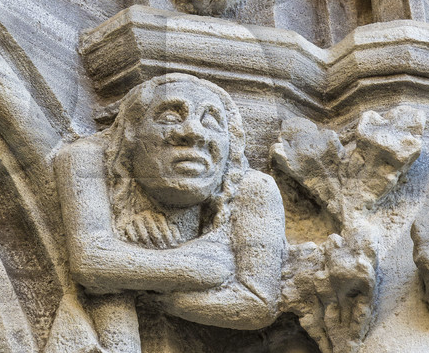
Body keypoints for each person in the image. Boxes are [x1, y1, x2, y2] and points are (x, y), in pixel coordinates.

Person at [55, 74, 284, 332]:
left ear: (230, 145)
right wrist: (200, 266)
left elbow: (258, 303)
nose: (194, 132)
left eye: (211, 121)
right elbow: (90, 260)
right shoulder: (88, 158)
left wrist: (155, 291)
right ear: (131, 133)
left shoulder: (253, 187)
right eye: (170, 118)